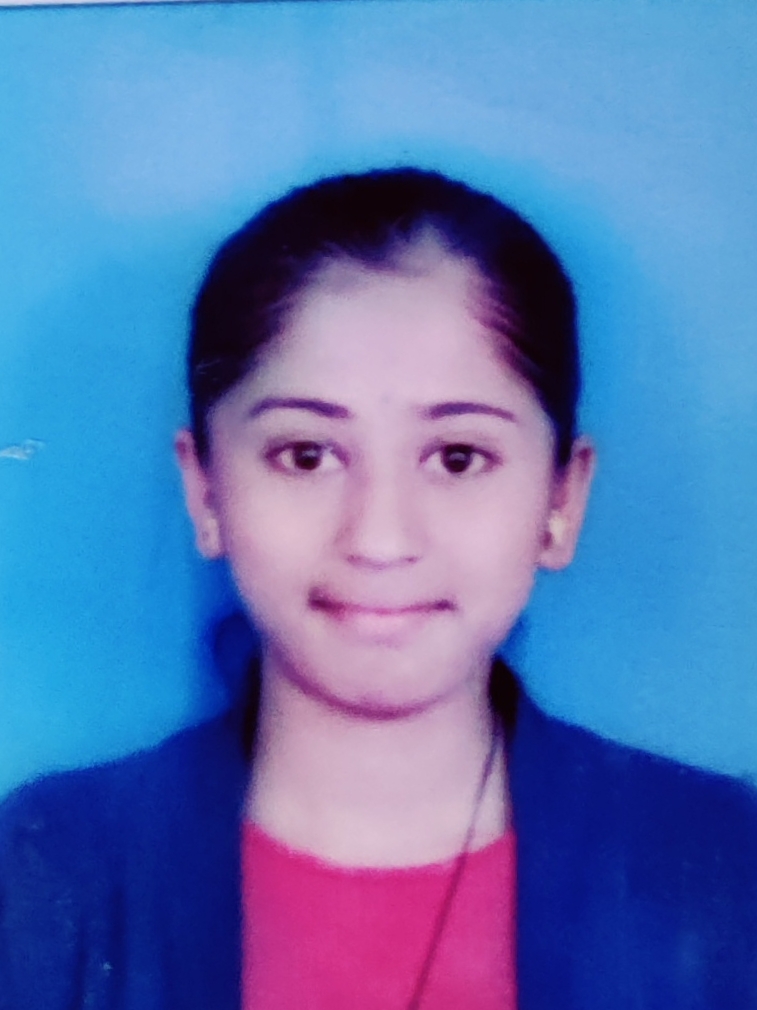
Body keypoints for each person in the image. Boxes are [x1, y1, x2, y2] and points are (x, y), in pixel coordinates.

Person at [0, 168, 755, 1010]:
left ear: (561, 500)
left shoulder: (726, 867)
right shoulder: (44, 869)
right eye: (306, 456)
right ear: (205, 490)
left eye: (458, 458)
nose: (380, 539)